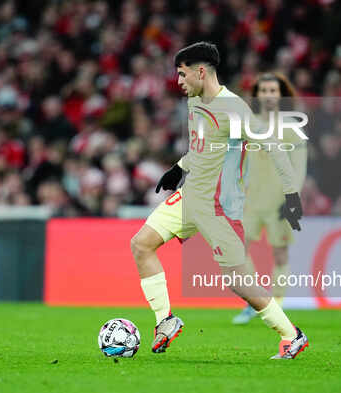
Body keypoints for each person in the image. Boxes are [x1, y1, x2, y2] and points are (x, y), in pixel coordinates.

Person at [130, 42, 309, 359]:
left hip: (219, 208)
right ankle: (165, 322)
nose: (180, 82)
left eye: (183, 75)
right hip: (189, 198)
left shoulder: (234, 109)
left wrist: (291, 194)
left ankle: (292, 335)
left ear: (201, 72)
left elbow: (274, 148)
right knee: (141, 244)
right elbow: (202, 147)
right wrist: (178, 168)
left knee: (240, 283)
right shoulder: (194, 101)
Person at [232, 73, 308, 324]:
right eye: (263, 90)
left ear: (281, 95)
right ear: (257, 95)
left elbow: (299, 166)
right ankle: (255, 303)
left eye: (273, 91)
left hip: (278, 201)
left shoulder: (291, 127)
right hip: (250, 200)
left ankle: (278, 305)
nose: (268, 95)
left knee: (280, 254)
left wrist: (291, 198)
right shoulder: (247, 123)